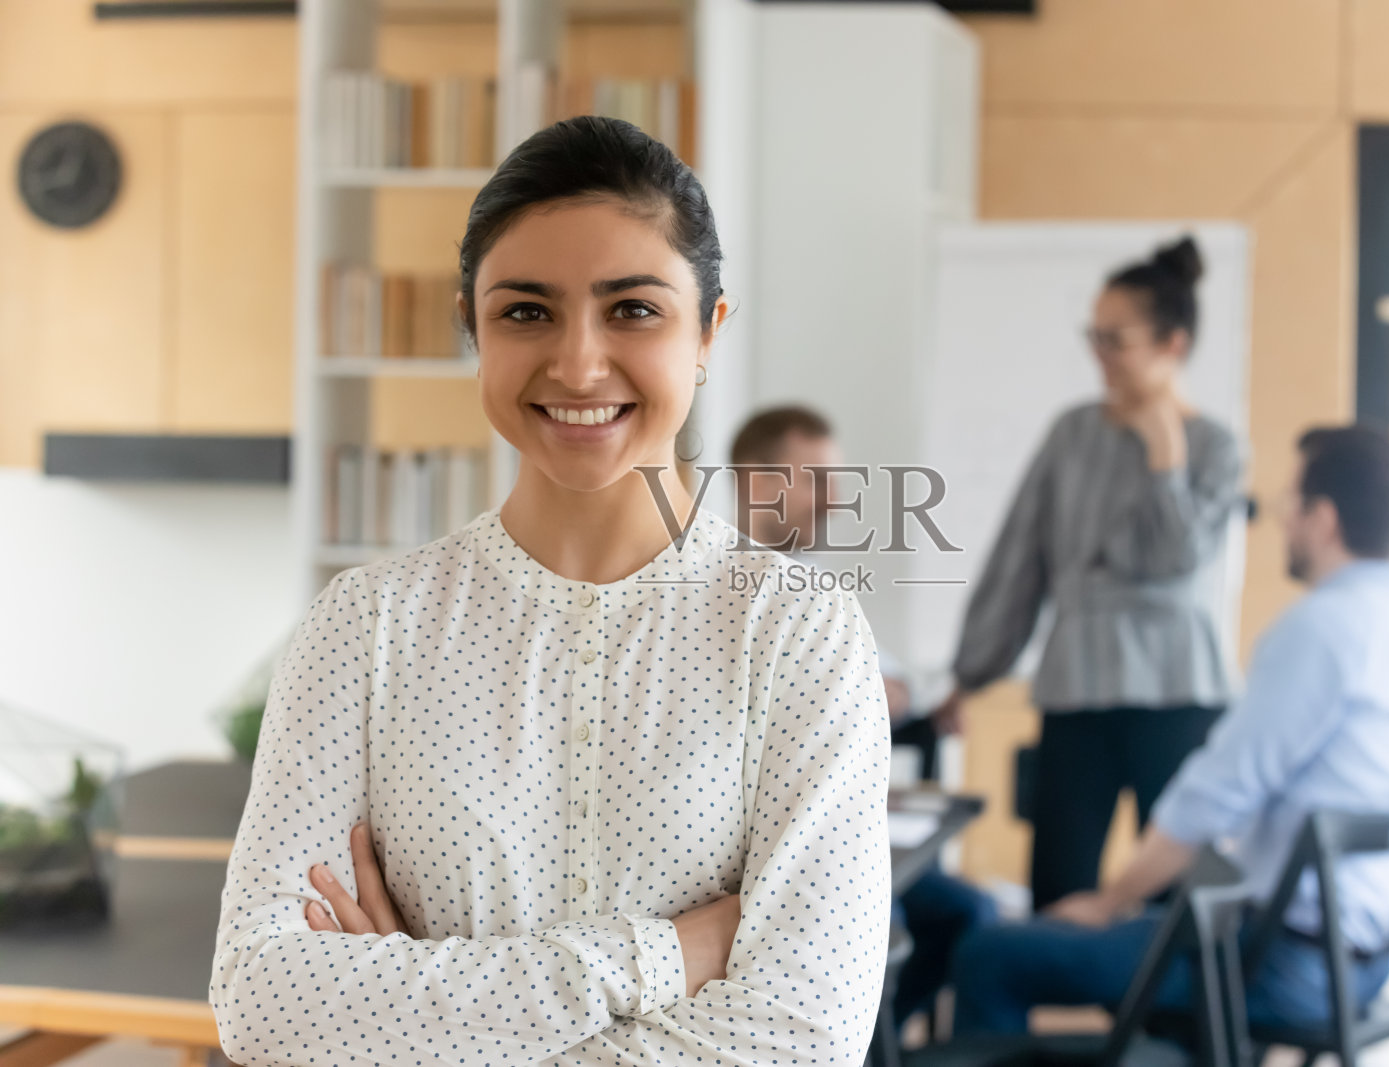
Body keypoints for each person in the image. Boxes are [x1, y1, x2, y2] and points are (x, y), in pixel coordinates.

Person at [210, 117, 892, 1067]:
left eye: (633, 310)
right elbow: (263, 1001)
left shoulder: (797, 632)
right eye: (526, 311)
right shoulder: (365, 627)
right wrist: (665, 954)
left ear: (710, 330)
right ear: (474, 330)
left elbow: (803, 1038)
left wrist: (415, 1017)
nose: (577, 364)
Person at [951, 425, 1389, 1033]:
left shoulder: (1319, 632)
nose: (1281, 521)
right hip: (1366, 963)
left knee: (990, 956)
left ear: (1323, 519)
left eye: (1289, 503)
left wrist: (1107, 903)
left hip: (1285, 964)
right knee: (1158, 947)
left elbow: (1214, 797)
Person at [935, 236, 1245, 912]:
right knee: (1058, 880)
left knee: (1176, 891)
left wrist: (1166, 455)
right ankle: (1049, 1014)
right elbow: (1019, 559)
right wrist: (972, 672)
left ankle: (1165, 1022)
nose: (1099, 355)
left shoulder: (1216, 448)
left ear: (1174, 343)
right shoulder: (1072, 433)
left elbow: (1180, 560)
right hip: (1076, 684)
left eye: (1116, 338)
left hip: (1180, 688)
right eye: (1093, 336)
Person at [729, 405, 995, 1031]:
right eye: (818, 479)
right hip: (782, 865)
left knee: (973, 916)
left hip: (848, 842)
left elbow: (897, 683)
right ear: (761, 484)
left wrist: (920, 693)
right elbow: (868, 692)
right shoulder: (723, 591)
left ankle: (881, 1043)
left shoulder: (818, 588)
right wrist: (884, 692)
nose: (837, 498)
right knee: (884, 927)